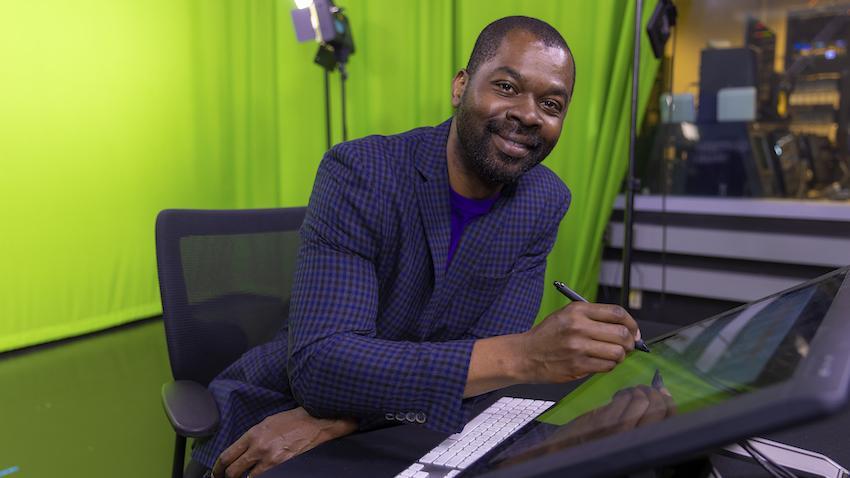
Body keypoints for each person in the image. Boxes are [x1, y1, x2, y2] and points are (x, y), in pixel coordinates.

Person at [192, 15, 643, 478]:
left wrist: (346, 419)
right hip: (283, 407)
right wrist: (524, 356)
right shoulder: (361, 172)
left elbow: (488, 381)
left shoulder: (543, 201)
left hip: (403, 421)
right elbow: (321, 365)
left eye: (551, 103)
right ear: (460, 87)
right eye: (507, 87)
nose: (529, 114)